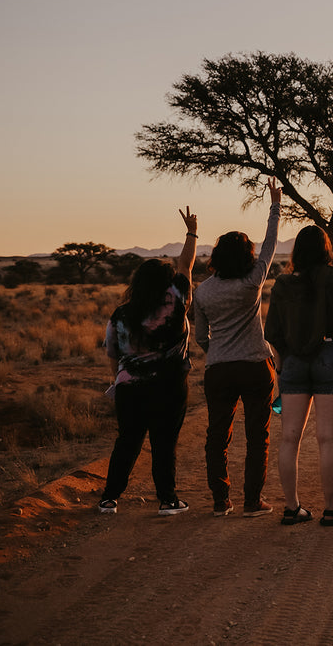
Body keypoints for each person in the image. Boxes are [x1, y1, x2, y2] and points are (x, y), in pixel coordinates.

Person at [265, 205, 333, 526]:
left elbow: (275, 335)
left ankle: (292, 508)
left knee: (289, 439)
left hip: (292, 361)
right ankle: (330, 508)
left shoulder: (282, 284)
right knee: (327, 438)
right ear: (325, 250)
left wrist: (281, 368)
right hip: (328, 355)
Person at [189, 178, 282, 517]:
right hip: (255, 365)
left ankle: (220, 500)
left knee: (218, 435)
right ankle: (253, 501)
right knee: (258, 436)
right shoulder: (251, 282)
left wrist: (215, 350)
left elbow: (200, 335)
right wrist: (274, 206)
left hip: (219, 369)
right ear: (247, 256)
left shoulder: (203, 292)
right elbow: (271, 244)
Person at [97, 207, 199, 516]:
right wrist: (192, 232)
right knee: (164, 442)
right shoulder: (177, 301)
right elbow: (186, 264)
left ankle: (109, 499)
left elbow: (112, 355)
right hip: (169, 386)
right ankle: (168, 500)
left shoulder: (121, 314)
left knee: (127, 441)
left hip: (130, 387)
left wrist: (121, 378)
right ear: (168, 283)